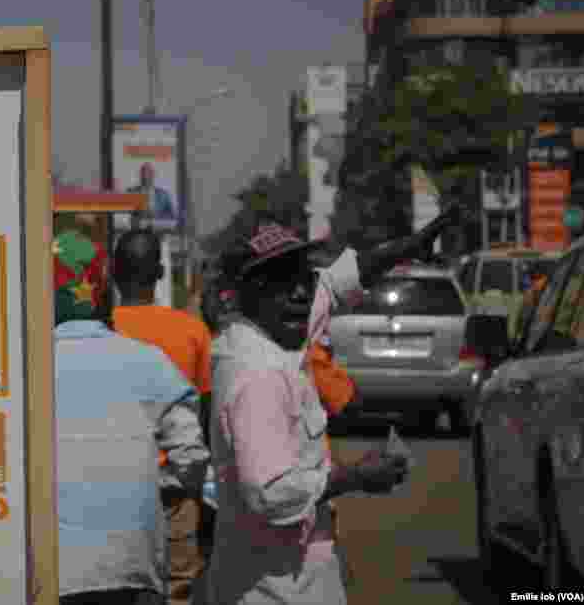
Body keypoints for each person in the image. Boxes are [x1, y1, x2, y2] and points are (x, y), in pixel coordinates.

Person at [196, 209, 465, 604]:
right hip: (275, 590)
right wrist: (356, 476)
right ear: (248, 294)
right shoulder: (259, 376)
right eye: (283, 282)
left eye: (304, 278)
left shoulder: (270, 326)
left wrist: (405, 249)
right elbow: (270, 492)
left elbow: (336, 283)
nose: (301, 292)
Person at [53, 229, 208, 604]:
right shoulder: (154, 361)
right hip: (133, 568)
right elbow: (192, 455)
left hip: (52, 572)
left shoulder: (23, 372)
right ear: (103, 288)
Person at [111, 228, 215, 605]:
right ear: (159, 273)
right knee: (176, 589)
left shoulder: (98, 331)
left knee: (120, 588)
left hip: (112, 489)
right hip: (176, 490)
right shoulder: (192, 332)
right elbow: (205, 414)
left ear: (113, 273)